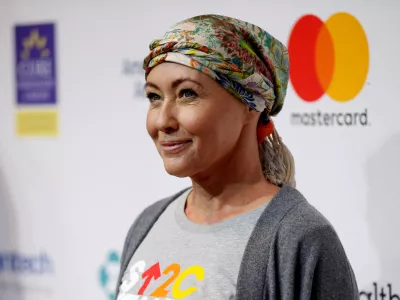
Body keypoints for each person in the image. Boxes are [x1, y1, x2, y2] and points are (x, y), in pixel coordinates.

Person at [115, 14, 359, 300]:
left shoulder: (299, 237)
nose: (162, 121)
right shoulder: (149, 222)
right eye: (154, 97)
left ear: (249, 105)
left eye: (187, 93)